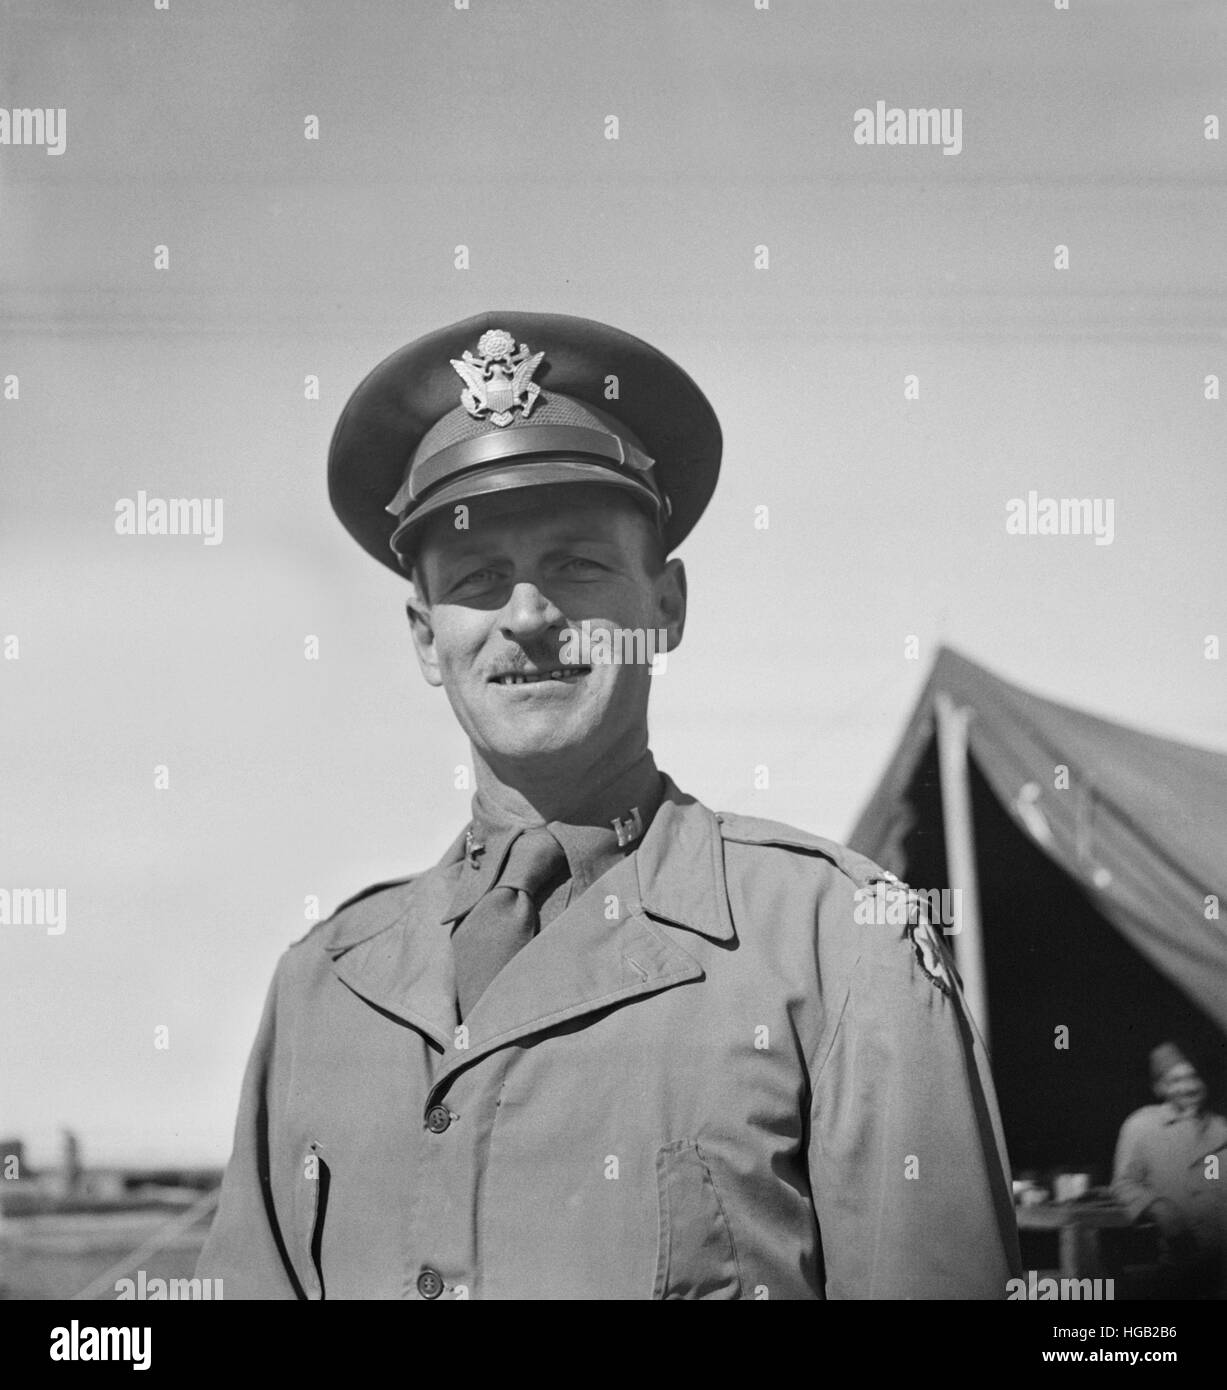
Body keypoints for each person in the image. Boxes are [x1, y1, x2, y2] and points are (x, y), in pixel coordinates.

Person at [196, 310, 1020, 1299]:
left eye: (578, 566)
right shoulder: (321, 988)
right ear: (425, 637)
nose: (530, 616)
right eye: (478, 579)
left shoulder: (836, 946)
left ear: (665, 605)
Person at [1112, 1042, 1227, 1298]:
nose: (1187, 1087)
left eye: (1193, 1077)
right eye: (1175, 1080)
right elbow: (1124, 1184)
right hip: (1175, 1261)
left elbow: (1215, 1177)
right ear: (1160, 1088)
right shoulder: (1141, 1126)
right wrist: (1158, 1207)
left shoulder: (1221, 1128)